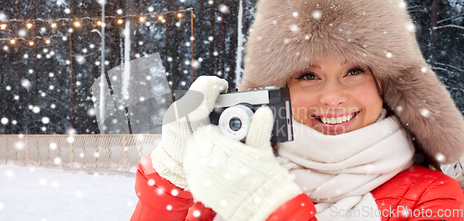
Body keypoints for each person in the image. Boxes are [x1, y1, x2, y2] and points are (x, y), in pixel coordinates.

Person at [130, 0, 464, 220]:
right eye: (307, 75)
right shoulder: (229, 183)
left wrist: (273, 208)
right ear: (278, 90)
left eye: (355, 71)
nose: (332, 97)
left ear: (388, 84)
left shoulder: (432, 198)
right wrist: (172, 179)